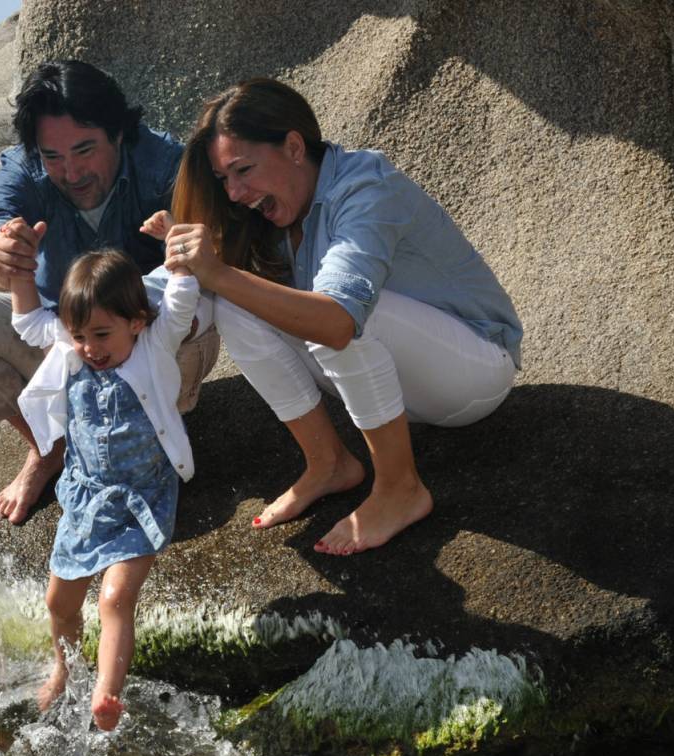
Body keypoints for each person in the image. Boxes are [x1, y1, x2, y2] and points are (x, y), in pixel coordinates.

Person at [163, 78, 523, 556]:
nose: (233, 193)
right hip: (404, 381)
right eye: (224, 179)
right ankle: (329, 462)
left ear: (294, 146)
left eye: (242, 170)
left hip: (475, 373)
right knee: (236, 303)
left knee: (337, 316)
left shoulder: (366, 186)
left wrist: (219, 273)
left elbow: (337, 323)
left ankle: (400, 489)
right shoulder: (276, 214)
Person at [0, 60, 217, 524]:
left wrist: (143, 311)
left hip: (156, 348)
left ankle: (139, 438)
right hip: (65, 344)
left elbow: (213, 256)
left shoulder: (162, 162)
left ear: (118, 134)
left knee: (200, 306)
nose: (71, 172)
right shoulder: (25, 166)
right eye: (52, 157)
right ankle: (47, 449)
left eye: (84, 150)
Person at [9, 239, 199, 731]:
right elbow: (30, 323)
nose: (90, 348)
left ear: (136, 321)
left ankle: (107, 695)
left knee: (115, 598)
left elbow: (180, 305)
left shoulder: (153, 347)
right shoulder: (74, 348)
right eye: (79, 336)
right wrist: (21, 271)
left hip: (142, 497)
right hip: (85, 495)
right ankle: (64, 667)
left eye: (101, 334)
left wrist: (177, 253)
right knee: (59, 602)